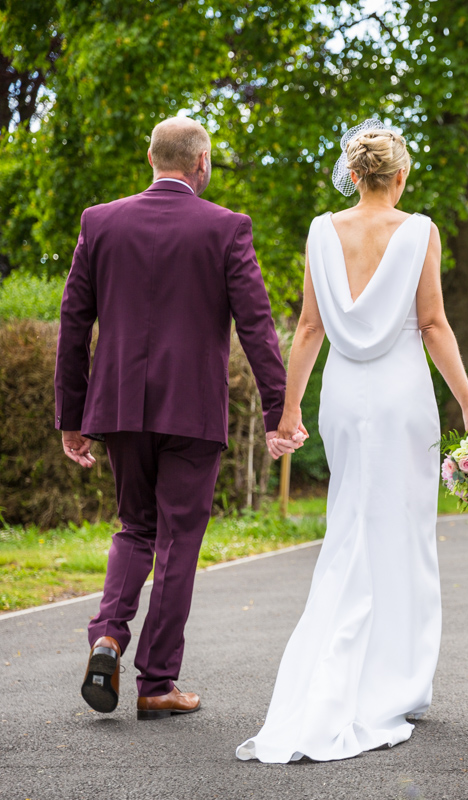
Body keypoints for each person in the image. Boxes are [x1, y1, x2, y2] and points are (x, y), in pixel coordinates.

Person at [236, 120, 468, 763]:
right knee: (404, 532)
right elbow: (432, 324)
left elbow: (306, 329)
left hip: (344, 400)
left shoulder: (322, 231)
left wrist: (287, 410)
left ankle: (354, 665)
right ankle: (401, 681)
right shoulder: (420, 231)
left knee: (351, 523)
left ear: (354, 175)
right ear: (399, 176)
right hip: (404, 398)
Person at [55, 117, 297, 720]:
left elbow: (72, 323)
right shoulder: (226, 228)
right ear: (202, 163)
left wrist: (71, 414)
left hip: (118, 407)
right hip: (192, 410)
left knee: (134, 527)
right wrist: (278, 411)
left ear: (150, 157)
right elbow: (257, 326)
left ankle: (108, 636)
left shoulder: (100, 221)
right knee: (179, 542)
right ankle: (157, 682)